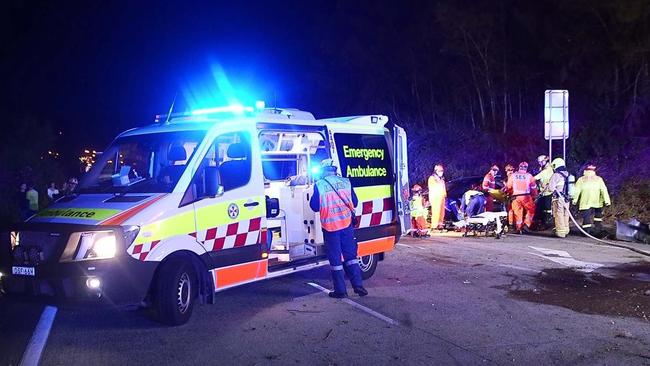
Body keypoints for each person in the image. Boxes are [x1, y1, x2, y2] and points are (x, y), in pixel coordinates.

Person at [309, 159, 367, 298]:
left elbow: (314, 206)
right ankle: (358, 286)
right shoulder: (346, 182)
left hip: (331, 228)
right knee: (351, 257)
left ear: (323, 172)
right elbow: (355, 202)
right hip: (347, 226)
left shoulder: (320, 185)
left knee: (336, 260)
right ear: (335, 170)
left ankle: (341, 291)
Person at [572, 163, 611, 236]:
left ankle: (586, 232)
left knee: (586, 217)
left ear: (585, 170)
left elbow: (577, 191)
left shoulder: (581, 179)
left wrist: (574, 200)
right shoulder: (599, 179)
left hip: (586, 201)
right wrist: (607, 201)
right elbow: (604, 190)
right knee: (598, 216)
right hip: (597, 201)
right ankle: (598, 229)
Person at [507, 162, 538, 234]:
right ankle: (526, 225)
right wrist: (534, 196)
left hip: (516, 197)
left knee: (518, 213)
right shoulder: (529, 176)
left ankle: (519, 228)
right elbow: (533, 188)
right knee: (531, 210)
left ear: (519, 167)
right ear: (526, 168)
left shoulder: (513, 175)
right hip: (526, 196)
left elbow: (508, 187)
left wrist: (510, 194)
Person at [547, 158, 570, 238]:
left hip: (558, 198)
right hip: (567, 198)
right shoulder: (568, 174)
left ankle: (560, 232)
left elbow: (551, 188)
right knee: (566, 213)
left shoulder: (556, 175)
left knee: (558, 214)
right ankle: (566, 229)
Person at [534, 155, 554, 229]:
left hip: (547, 192)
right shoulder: (544, 169)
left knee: (546, 208)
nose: (539, 164)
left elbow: (536, 177)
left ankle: (545, 223)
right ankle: (543, 222)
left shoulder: (547, 170)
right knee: (542, 208)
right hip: (544, 192)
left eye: (540, 162)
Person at [428, 164, 447, 230]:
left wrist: (445, 195)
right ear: (436, 171)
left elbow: (443, 188)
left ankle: (440, 225)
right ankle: (434, 226)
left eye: (442, 170)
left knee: (442, 212)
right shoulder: (432, 178)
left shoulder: (441, 179)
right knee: (436, 211)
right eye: (440, 170)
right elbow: (434, 187)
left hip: (442, 197)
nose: (441, 172)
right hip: (435, 197)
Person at [502, 164, 516, 229]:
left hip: (515, 197)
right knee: (509, 211)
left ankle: (513, 224)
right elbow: (505, 188)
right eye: (508, 170)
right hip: (509, 197)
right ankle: (510, 224)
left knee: (513, 211)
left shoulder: (516, 178)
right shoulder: (505, 180)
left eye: (511, 170)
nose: (510, 172)